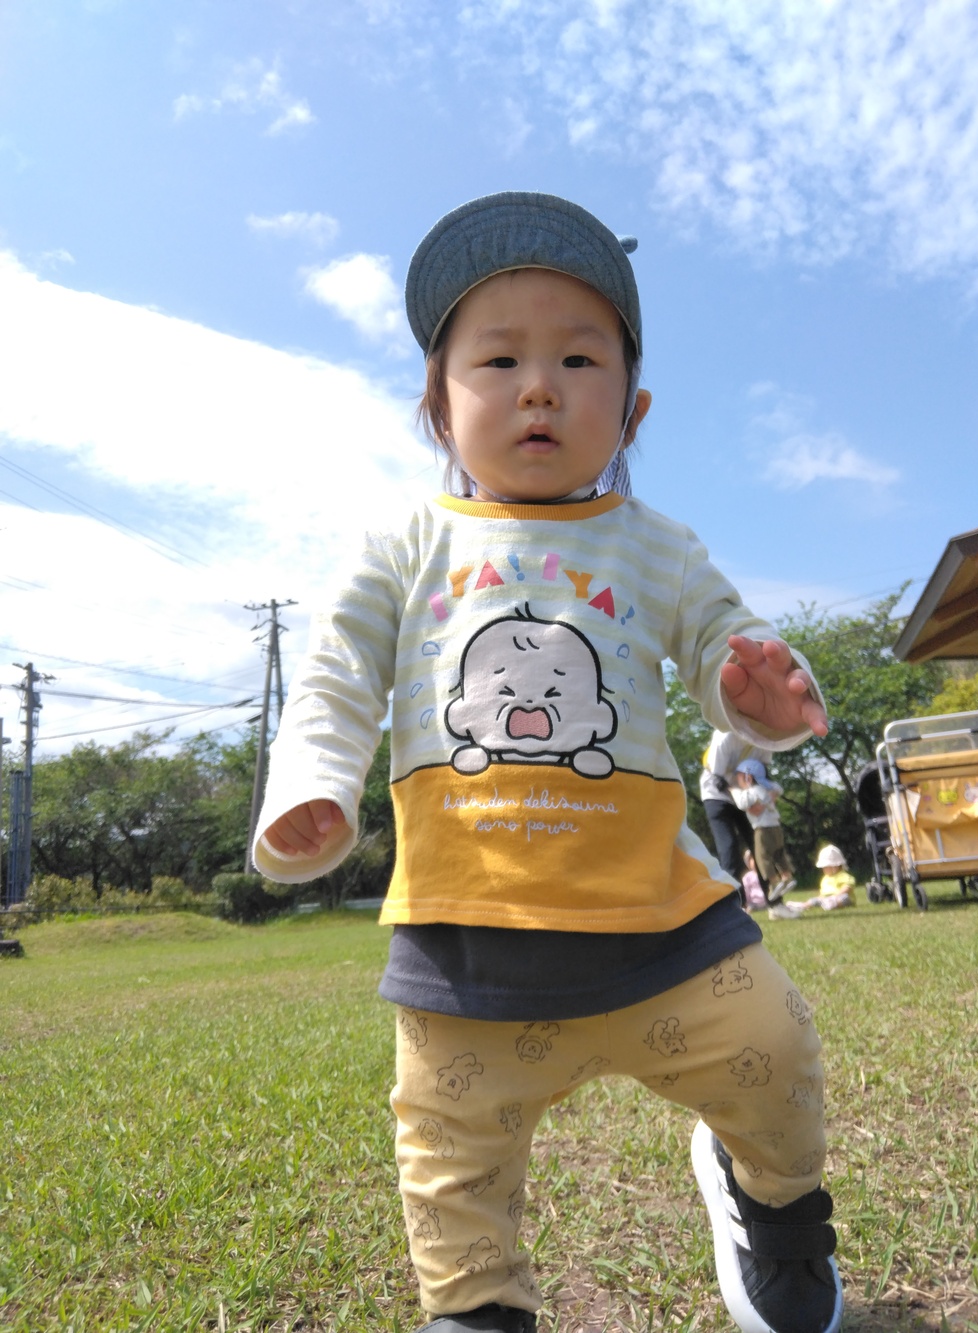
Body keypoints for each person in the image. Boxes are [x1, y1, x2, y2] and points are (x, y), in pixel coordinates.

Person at [253, 192, 842, 1333]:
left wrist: (754, 691)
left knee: (774, 1054)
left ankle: (770, 1205)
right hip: (468, 950)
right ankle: (477, 1307)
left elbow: (728, 642)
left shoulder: (655, 544)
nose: (538, 385)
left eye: (578, 357)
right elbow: (332, 679)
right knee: (448, 1155)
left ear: (632, 407)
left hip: (665, 926)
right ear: (436, 404)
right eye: (499, 358)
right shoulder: (403, 546)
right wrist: (313, 786)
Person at [698, 729, 771, 902]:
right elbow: (718, 781)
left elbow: (763, 774)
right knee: (729, 848)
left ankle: (775, 902)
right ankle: (737, 905)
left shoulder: (769, 738)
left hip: (745, 796)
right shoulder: (726, 735)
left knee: (760, 845)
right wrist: (746, 801)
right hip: (716, 796)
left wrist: (759, 801)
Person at [731, 757, 797, 901]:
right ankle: (787, 877)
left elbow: (742, 804)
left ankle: (774, 882)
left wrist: (733, 790)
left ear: (748, 777)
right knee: (779, 853)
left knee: (762, 856)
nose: (738, 781)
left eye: (739, 777)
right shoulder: (768, 788)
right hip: (776, 827)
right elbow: (779, 788)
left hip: (762, 829)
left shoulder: (751, 792)